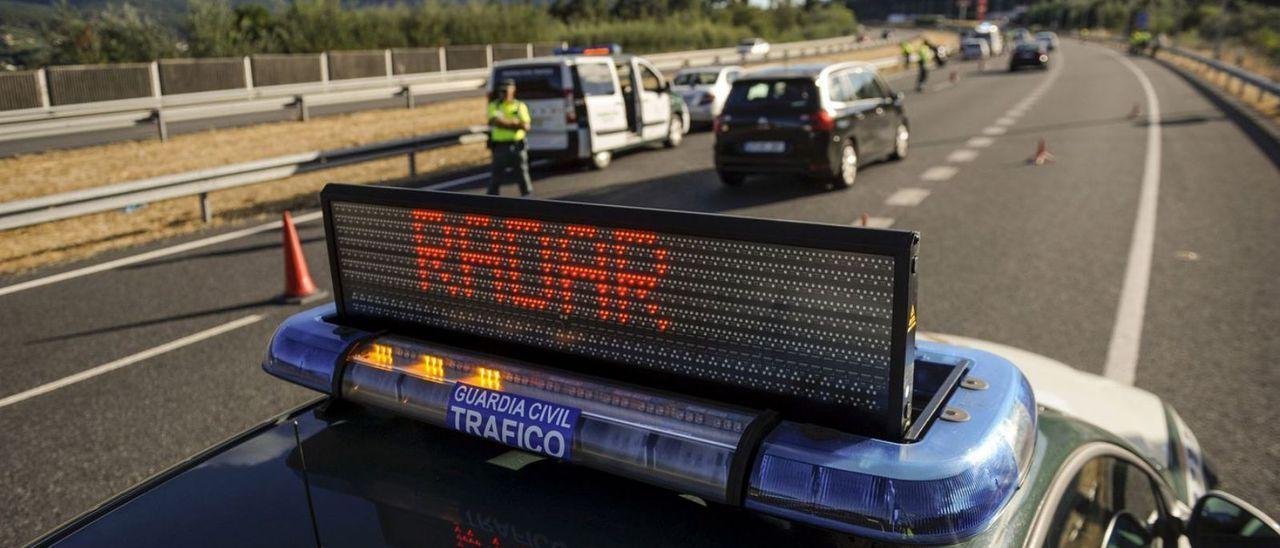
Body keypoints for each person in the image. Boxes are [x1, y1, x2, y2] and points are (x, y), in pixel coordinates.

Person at [487, 78, 533, 197]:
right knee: (495, 178)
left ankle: (528, 201)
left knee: (522, 175)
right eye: (502, 90)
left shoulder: (519, 106)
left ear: (513, 90)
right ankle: (490, 204)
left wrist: (507, 123)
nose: (504, 93)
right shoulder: (494, 105)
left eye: (507, 90)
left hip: (517, 146)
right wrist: (515, 123)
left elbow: (526, 126)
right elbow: (495, 121)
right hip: (499, 147)